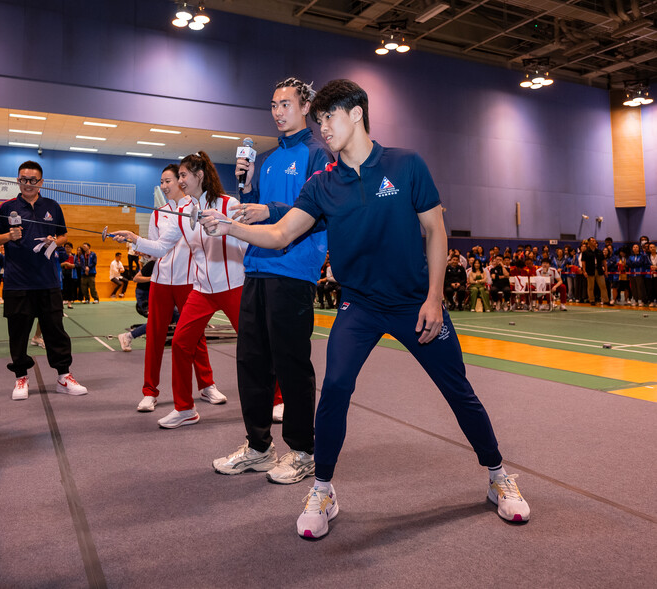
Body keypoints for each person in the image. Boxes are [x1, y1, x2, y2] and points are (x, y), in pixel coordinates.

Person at [201, 79, 529, 539]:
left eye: (329, 118)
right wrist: (227, 228)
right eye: (319, 121)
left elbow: (435, 232)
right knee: (334, 386)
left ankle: (498, 474)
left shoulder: (407, 165)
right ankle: (323, 488)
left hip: (416, 303)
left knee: (458, 391)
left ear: (356, 113)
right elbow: (279, 235)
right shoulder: (323, 185)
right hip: (360, 305)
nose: (323, 127)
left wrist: (435, 297)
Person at [211, 77, 334, 484]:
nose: (278, 111)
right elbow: (254, 210)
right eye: (273, 104)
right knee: (251, 363)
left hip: (294, 272)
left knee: (292, 366)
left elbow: (318, 211)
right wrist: (245, 188)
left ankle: (302, 451)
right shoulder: (265, 159)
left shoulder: (319, 155)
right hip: (257, 269)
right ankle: (259, 447)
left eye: (285, 103)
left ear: (305, 107)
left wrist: (271, 209)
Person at [113, 152, 244, 428]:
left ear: (199, 176)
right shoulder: (181, 213)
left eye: (182, 176)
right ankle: (184, 408)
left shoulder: (227, 203)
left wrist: (227, 227)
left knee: (255, 343)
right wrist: (135, 238)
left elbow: (245, 242)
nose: (177, 181)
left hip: (232, 286)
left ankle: (276, 400)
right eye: (177, 176)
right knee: (182, 343)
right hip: (201, 289)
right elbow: (161, 247)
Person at [118, 165, 219, 412]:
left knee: (195, 336)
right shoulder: (158, 213)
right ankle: (149, 392)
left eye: (169, 181)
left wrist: (135, 238)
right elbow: (156, 246)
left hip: (188, 282)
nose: (164, 186)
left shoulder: (194, 210)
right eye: (161, 181)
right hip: (161, 282)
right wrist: (138, 245)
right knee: (154, 335)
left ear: (181, 182)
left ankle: (207, 385)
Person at [0, 160, 87, 400]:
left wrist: (56, 241)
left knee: (55, 331)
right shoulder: (6, 207)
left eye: (33, 180)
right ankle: (20, 377)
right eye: (23, 179)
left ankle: (64, 376)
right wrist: (8, 236)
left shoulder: (52, 205)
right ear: (18, 180)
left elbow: (63, 235)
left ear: (41, 182)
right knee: (18, 333)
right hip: (17, 283)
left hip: (48, 282)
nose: (28, 184)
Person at [581, 237, 608, 305]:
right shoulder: (585, 252)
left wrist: (606, 270)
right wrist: (584, 271)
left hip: (599, 271)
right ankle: (592, 300)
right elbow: (583, 263)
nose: (594, 242)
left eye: (595, 241)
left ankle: (605, 300)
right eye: (592, 241)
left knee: (603, 286)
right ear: (589, 243)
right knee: (590, 287)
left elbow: (604, 261)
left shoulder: (599, 252)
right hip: (590, 271)